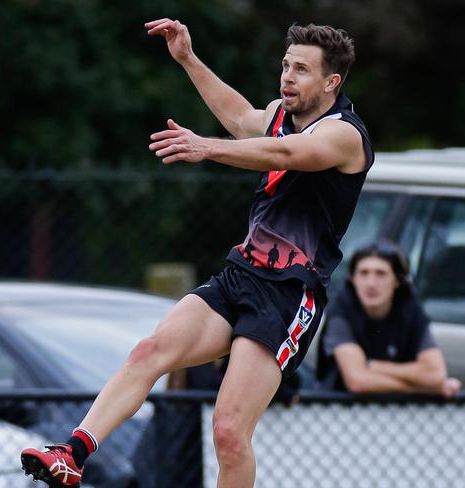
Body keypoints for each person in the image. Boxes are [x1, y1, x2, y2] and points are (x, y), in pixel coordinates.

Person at [21, 18, 374, 488]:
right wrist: (187, 58)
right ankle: (73, 454)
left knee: (229, 432)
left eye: (302, 70)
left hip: (290, 294)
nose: (287, 77)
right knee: (150, 350)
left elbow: (287, 155)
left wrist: (206, 147)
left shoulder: (345, 135)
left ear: (331, 81)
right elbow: (241, 118)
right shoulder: (280, 115)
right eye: (286, 66)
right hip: (242, 273)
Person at [316, 240, 462, 397]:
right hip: (340, 411)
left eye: (381, 274)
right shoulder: (341, 309)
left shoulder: (410, 307)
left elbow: (435, 374)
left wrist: (371, 365)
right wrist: (422, 389)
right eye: (363, 273)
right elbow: (358, 381)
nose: (371, 283)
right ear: (353, 279)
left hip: (400, 414)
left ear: (397, 280)